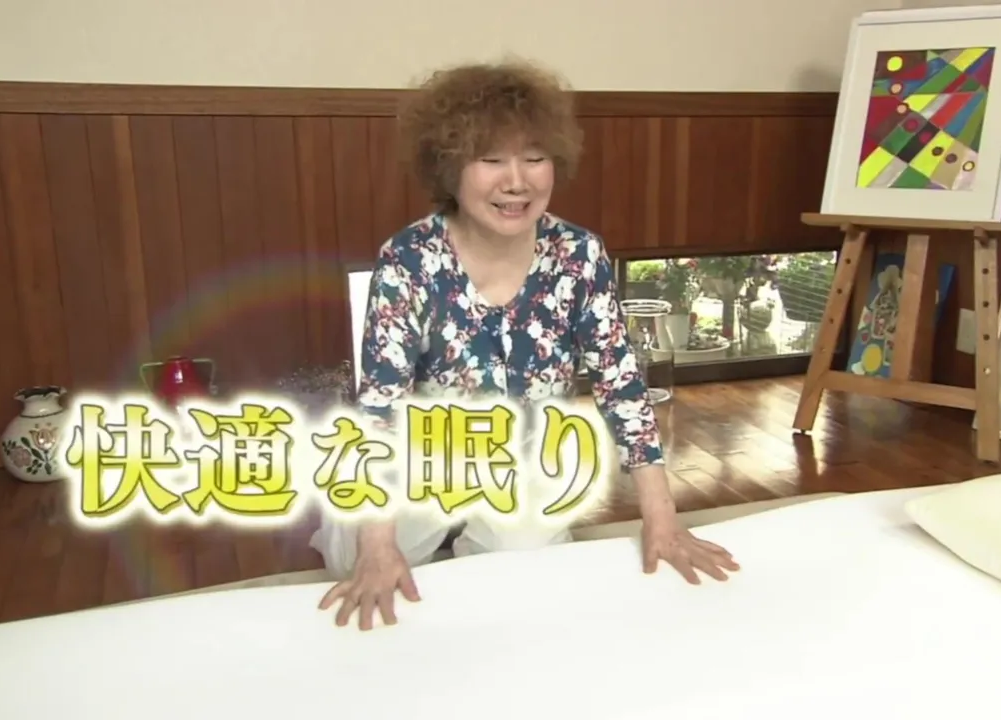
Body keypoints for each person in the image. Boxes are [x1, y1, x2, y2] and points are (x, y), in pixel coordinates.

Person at [312, 58, 740, 630]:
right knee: (358, 558)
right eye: (490, 159)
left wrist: (661, 519)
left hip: (527, 457)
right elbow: (381, 407)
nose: (517, 182)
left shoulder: (579, 254)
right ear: (448, 168)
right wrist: (375, 545)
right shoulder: (409, 258)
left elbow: (621, 388)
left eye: (534, 157)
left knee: (526, 570)